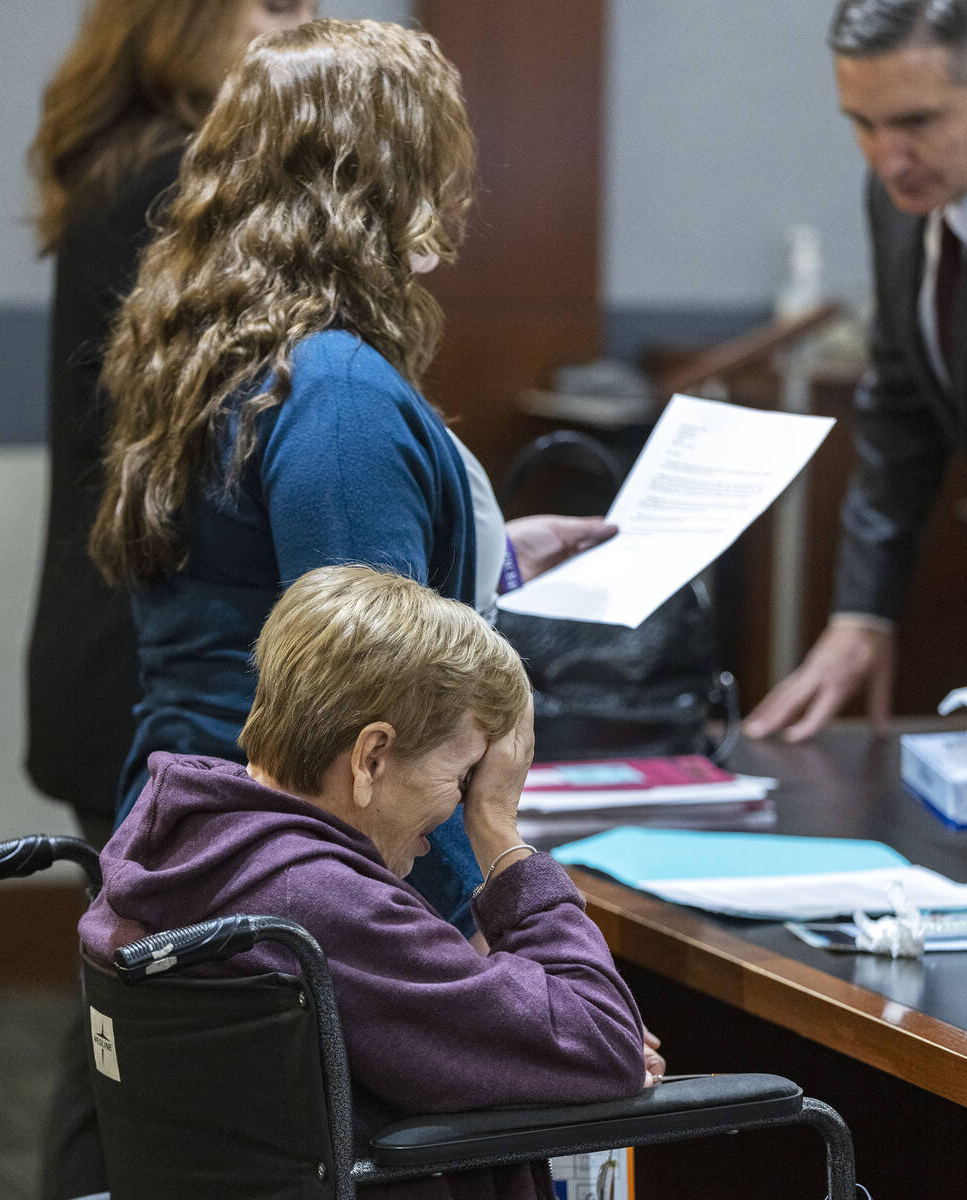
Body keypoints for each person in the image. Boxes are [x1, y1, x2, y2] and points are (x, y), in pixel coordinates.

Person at [88, 17, 614, 935]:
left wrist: (491, 554)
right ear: (388, 177)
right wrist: (474, 935)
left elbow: (255, 588)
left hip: (210, 833)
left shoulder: (216, 358)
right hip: (318, 871)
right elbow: (384, 712)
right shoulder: (334, 389)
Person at [79, 565, 660, 1200]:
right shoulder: (320, 901)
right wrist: (500, 830)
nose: (457, 816)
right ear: (371, 757)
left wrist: (535, 1044)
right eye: (466, 776)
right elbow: (603, 1042)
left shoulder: (172, 835)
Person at [27, 0, 318, 852]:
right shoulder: (177, 184)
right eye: (279, 6)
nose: (306, 30)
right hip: (157, 671)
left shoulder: (128, 166)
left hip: (124, 662)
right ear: (182, 21)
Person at [745, 0, 967, 742]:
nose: (886, 156)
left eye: (917, 122)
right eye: (862, 123)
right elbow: (901, 409)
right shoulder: (898, 200)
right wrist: (862, 613)